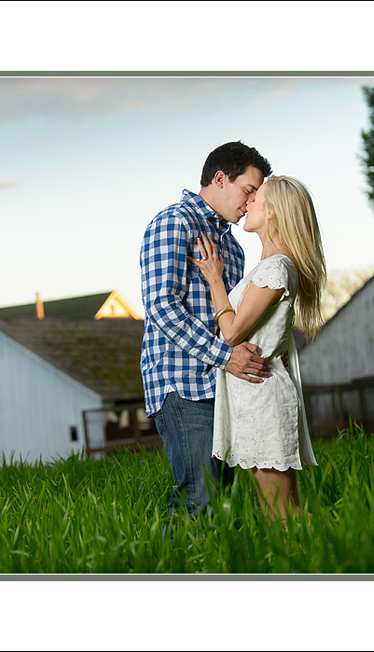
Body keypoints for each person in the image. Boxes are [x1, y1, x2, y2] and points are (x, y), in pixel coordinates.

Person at [140, 141, 273, 519]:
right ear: (219, 178)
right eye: (248, 189)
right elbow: (161, 308)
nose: (250, 202)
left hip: (222, 385)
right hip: (182, 384)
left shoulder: (232, 248)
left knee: (221, 500)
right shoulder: (174, 222)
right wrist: (227, 356)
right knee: (200, 497)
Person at [189, 175, 327, 521]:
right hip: (255, 399)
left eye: (257, 197)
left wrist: (215, 280)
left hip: (263, 401)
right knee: (279, 512)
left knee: (283, 514)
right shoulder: (271, 267)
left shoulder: (274, 269)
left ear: (276, 212)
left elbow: (233, 333)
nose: (248, 202)